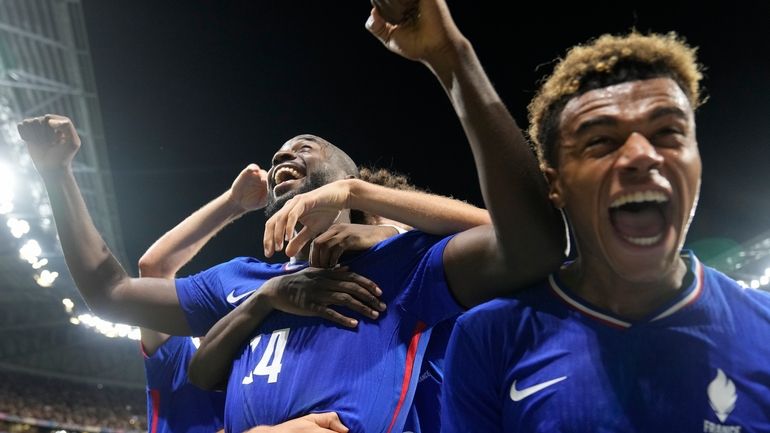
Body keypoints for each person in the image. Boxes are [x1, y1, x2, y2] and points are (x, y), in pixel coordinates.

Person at [376, 15, 770, 433]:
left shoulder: (763, 328)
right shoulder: (490, 336)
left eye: (668, 131)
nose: (642, 154)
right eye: (601, 140)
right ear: (556, 186)